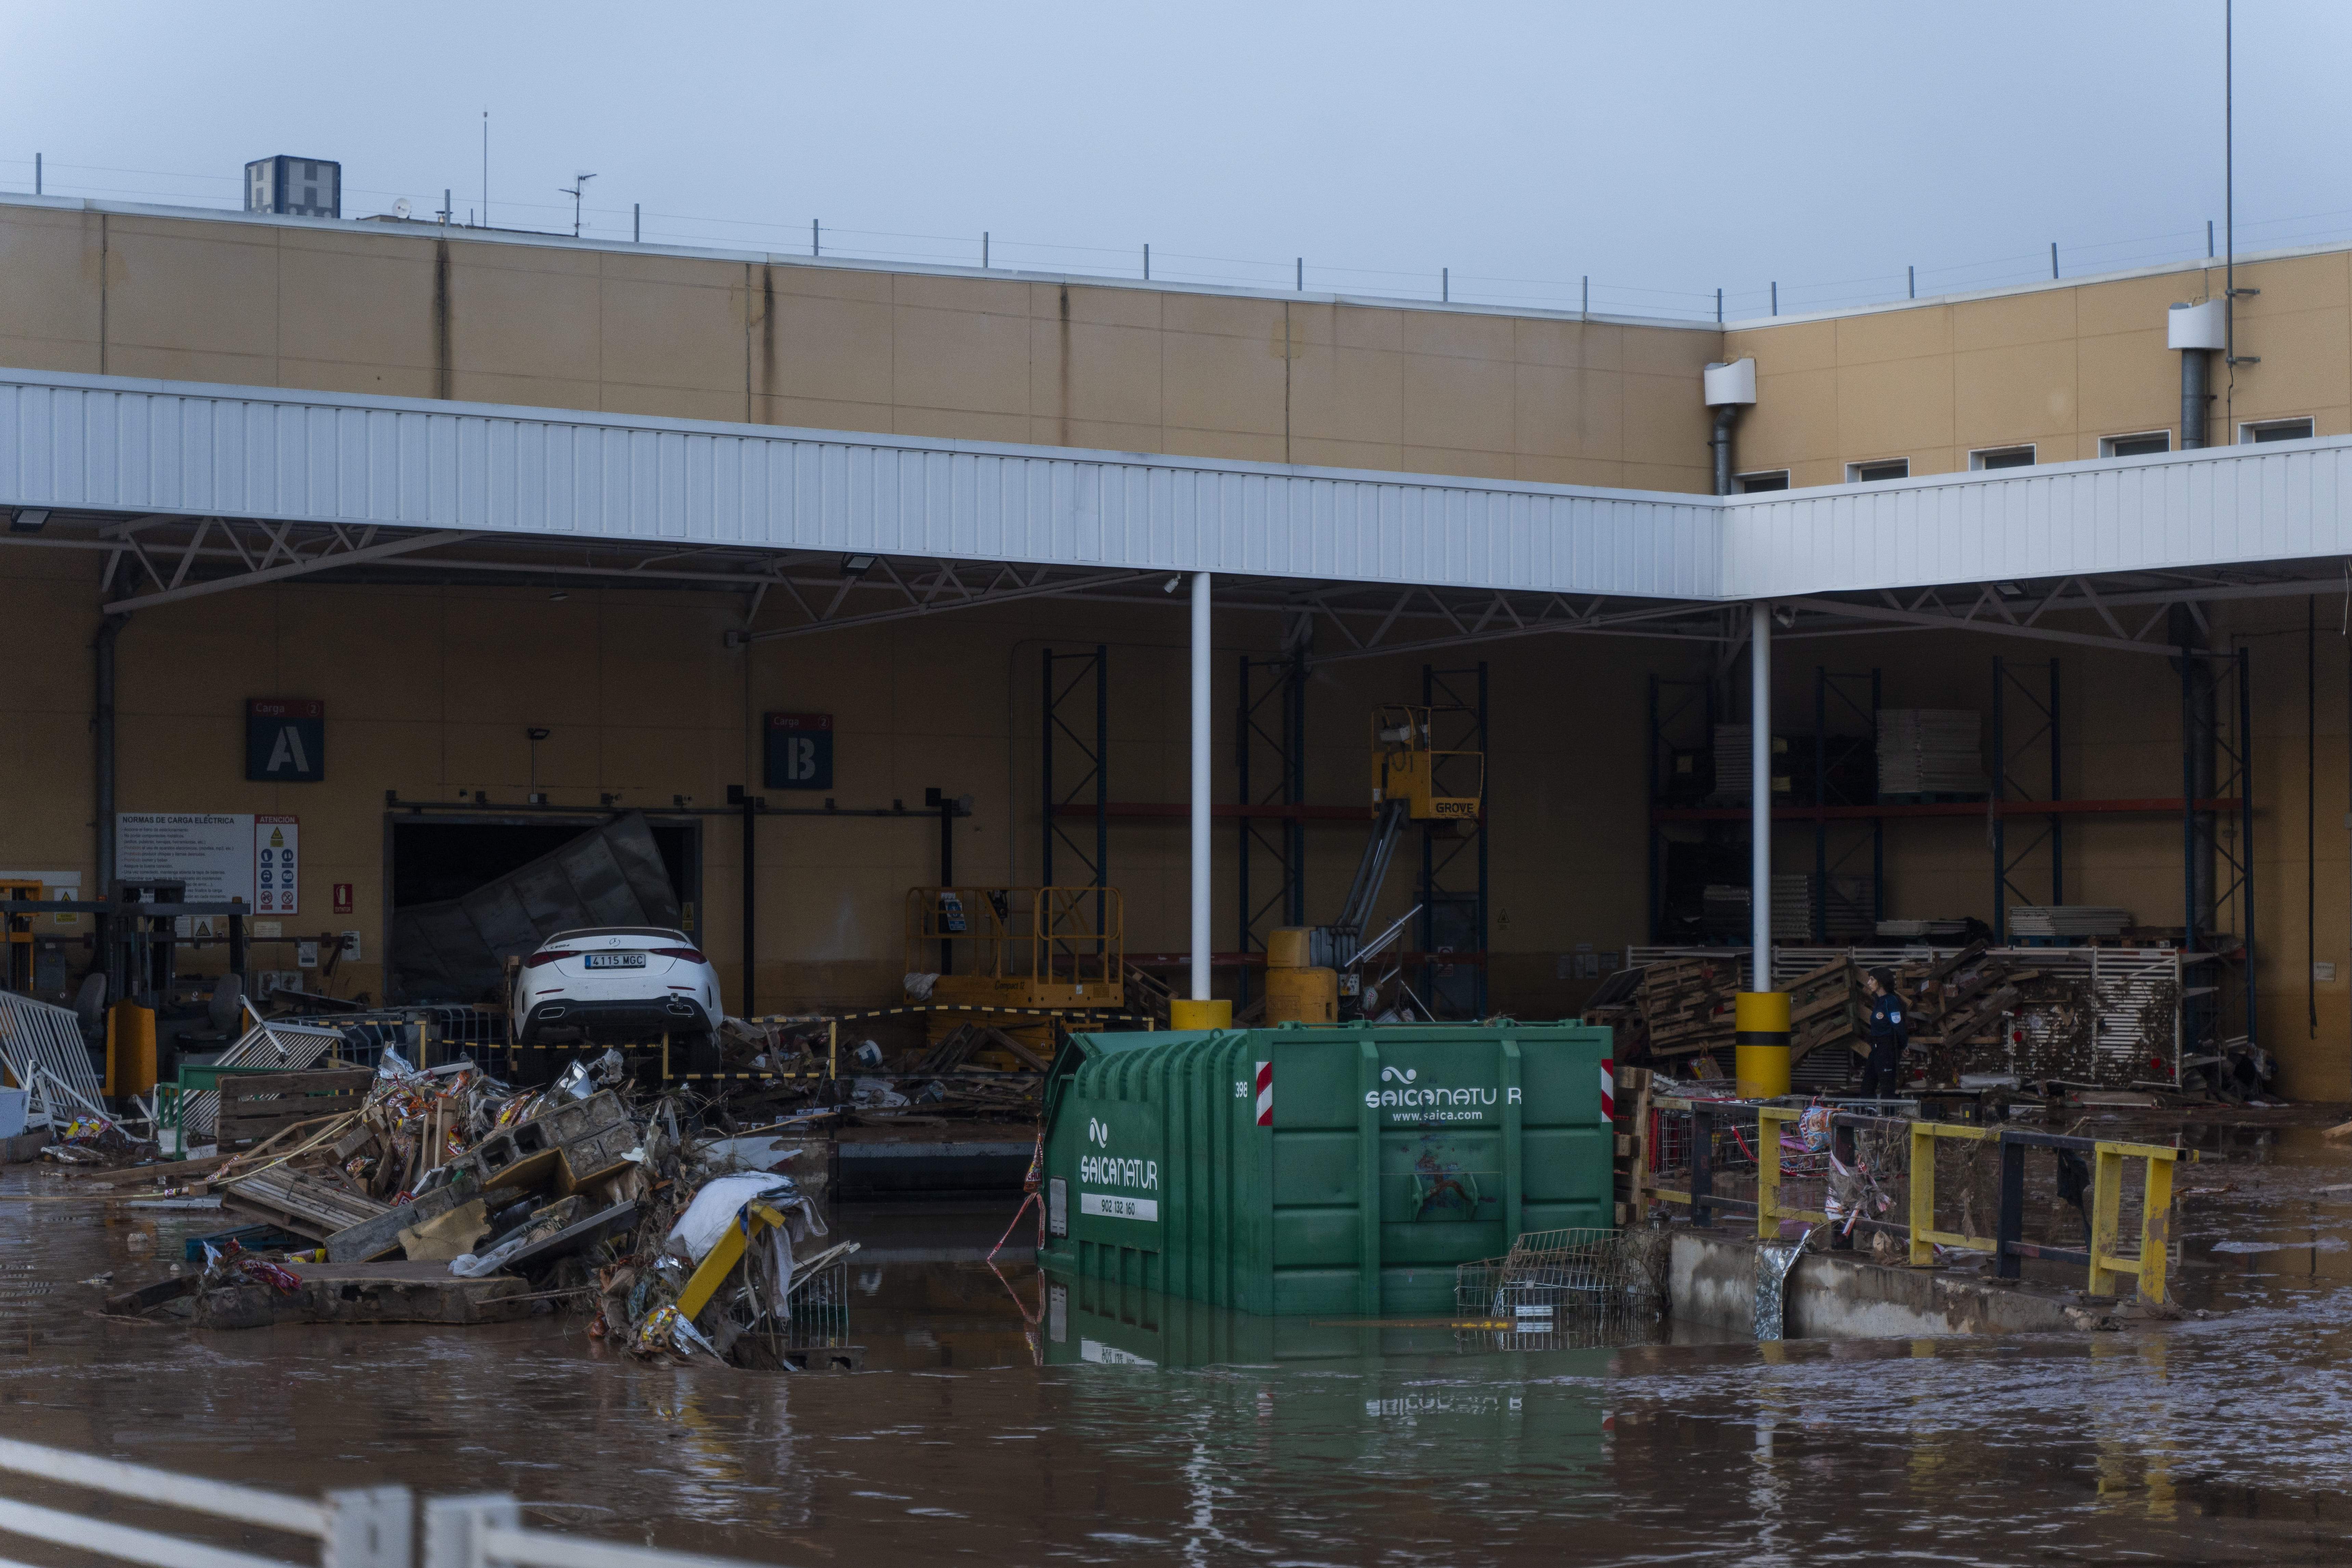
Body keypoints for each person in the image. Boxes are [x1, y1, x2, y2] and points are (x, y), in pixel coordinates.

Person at [1858, 966, 1908, 1100]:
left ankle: (1891, 1119)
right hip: (1876, 1048)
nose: (1869, 983)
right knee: (1867, 1087)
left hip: (1887, 1049)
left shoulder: (1891, 1002)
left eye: (1872, 979)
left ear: (1881, 982)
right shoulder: (1878, 1001)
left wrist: (1903, 1046)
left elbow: (1899, 1026)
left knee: (1888, 1089)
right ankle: (1867, 1117)